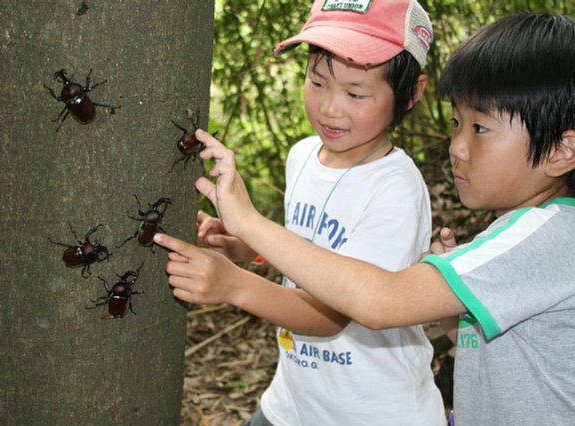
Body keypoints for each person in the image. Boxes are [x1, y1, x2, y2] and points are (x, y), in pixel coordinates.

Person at [156, 12, 575, 424]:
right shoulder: (519, 232)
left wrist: (243, 245)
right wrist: (253, 248)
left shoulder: (545, 238)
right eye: (455, 123)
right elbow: (479, 344)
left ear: (562, 151)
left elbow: (375, 303)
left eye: (479, 129)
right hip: (295, 403)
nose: (456, 147)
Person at [167, 1, 447, 425]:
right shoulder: (302, 155)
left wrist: (234, 284)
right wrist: (247, 245)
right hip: (294, 404)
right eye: (317, 82)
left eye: (355, 93)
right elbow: (309, 251)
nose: (330, 107)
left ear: (411, 94)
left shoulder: (395, 191)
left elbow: (329, 315)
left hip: (371, 414)